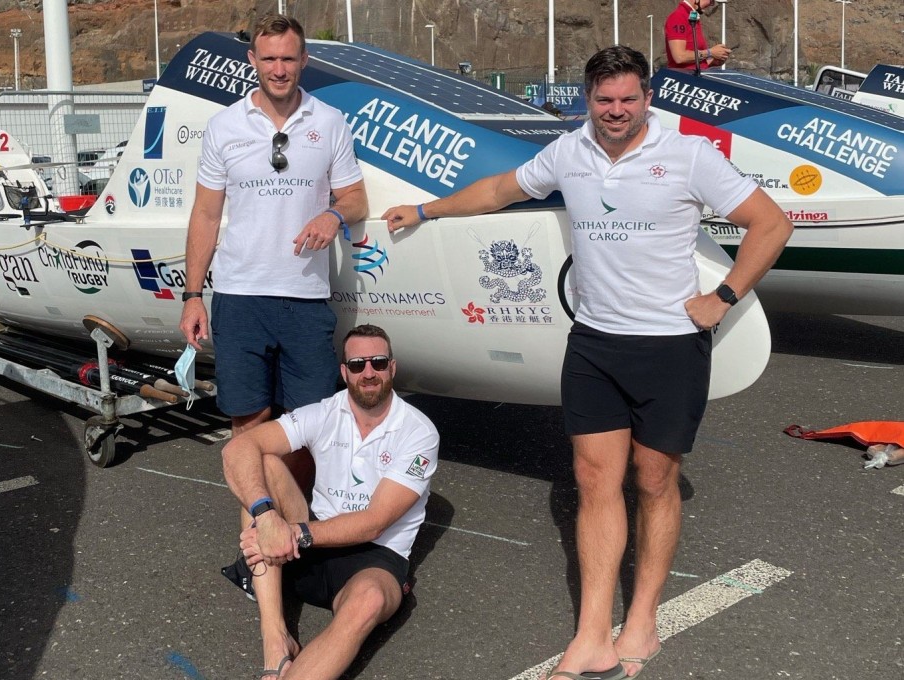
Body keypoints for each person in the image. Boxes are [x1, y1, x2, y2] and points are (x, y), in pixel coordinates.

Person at [382, 45, 791, 680]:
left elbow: (769, 223)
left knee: (655, 482)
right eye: (605, 100)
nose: (617, 111)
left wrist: (724, 297)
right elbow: (499, 189)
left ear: (648, 97)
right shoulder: (570, 151)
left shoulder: (688, 156)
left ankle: (645, 619)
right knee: (595, 481)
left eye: (629, 99)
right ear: (587, 99)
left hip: (670, 347)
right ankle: (593, 631)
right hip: (595, 344)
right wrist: (426, 210)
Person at [179, 13, 367, 440]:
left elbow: (355, 199)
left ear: (304, 59)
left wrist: (332, 214)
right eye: (268, 59)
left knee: (308, 427)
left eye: (288, 58)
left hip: (305, 298)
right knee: (248, 421)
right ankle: (258, 510)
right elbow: (205, 215)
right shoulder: (224, 126)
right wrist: (192, 296)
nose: (278, 70)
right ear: (253, 60)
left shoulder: (330, 121)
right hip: (240, 297)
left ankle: (296, 509)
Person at [221, 324, 439, 679]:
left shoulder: (419, 431)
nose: (368, 372)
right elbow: (238, 449)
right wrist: (267, 517)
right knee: (260, 469)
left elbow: (375, 521)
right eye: (357, 365)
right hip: (312, 538)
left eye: (378, 362)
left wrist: (291, 533)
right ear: (344, 372)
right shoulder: (324, 412)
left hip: (375, 556)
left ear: (392, 368)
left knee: (368, 601)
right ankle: (275, 640)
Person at [664, 0, 731, 71]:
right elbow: (679, 57)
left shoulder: (692, 17)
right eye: (711, 1)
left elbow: (693, 61)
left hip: (695, 75)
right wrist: (710, 53)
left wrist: (712, 61)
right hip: (683, 77)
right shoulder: (678, 17)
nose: (711, 4)